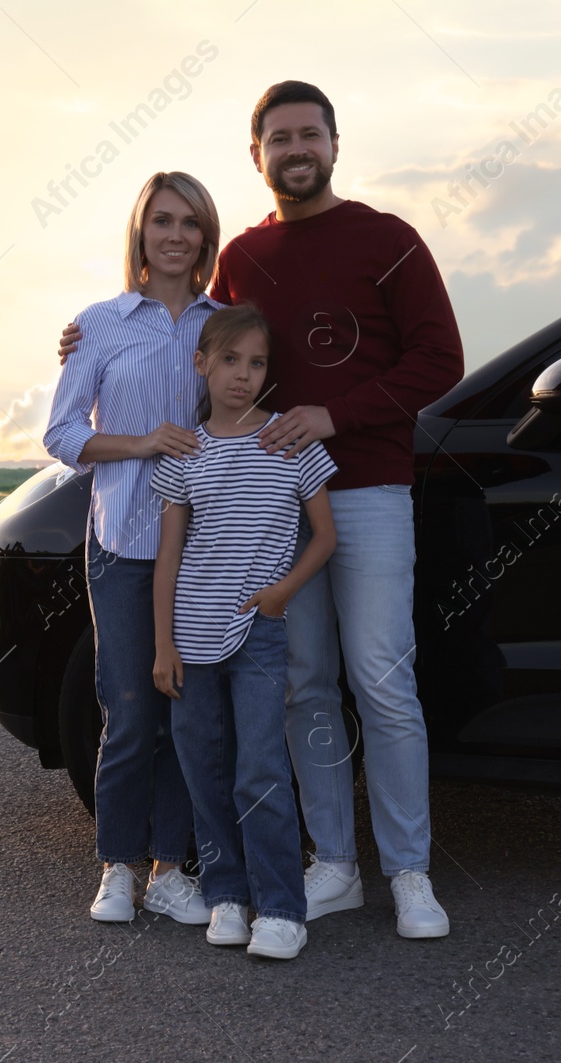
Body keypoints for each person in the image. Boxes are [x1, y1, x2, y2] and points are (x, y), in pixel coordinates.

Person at [60, 82, 464, 938]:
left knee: (384, 679)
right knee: (305, 686)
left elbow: (442, 358)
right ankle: (336, 865)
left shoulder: (390, 240)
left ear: (334, 143)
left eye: (308, 133)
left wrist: (337, 414)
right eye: (278, 137)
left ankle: (412, 872)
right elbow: (195, 337)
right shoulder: (243, 257)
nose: (295, 148)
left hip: (368, 490)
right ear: (257, 156)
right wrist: (84, 335)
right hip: (267, 507)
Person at [43, 171, 223, 926]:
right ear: (140, 232)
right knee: (129, 711)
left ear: (207, 236)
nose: (175, 234)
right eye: (161, 221)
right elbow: (61, 434)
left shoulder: (226, 324)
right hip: (123, 545)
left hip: (206, 552)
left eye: (190, 222)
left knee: (188, 715)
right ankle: (116, 865)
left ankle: (168, 870)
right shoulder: (102, 323)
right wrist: (144, 443)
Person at [151, 304, 337, 961]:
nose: (243, 375)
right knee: (205, 768)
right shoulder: (184, 454)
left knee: (259, 768)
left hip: (256, 632)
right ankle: (227, 895)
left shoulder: (289, 443)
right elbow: (169, 555)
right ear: (201, 364)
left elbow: (326, 535)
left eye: (256, 363)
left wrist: (282, 592)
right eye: (229, 360)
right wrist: (163, 644)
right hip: (190, 640)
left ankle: (282, 908)